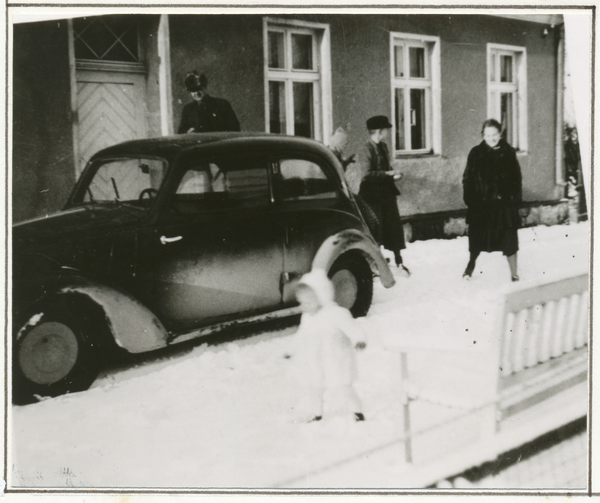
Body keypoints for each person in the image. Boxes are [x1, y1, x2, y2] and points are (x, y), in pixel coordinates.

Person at [293, 268, 367, 423]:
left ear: (322, 297)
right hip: (316, 361)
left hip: (336, 359)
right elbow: (301, 335)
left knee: (343, 388)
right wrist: (291, 350)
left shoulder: (337, 313)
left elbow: (351, 327)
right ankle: (316, 413)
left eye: (309, 301)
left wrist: (359, 339)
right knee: (315, 388)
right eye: (302, 303)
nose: (305, 306)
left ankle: (357, 412)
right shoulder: (307, 317)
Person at [462, 118, 523, 281]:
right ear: (483, 135)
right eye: (488, 135)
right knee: (477, 238)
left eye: (494, 134)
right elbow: (467, 179)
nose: (491, 138)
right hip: (481, 205)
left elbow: (517, 178)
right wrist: (471, 200)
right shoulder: (475, 153)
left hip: (504, 206)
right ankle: (470, 267)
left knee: (509, 239)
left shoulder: (508, 152)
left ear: (500, 134)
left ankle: (514, 273)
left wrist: (515, 199)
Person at [358, 115, 410, 275]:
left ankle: (399, 261)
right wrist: (389, 174)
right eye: (386, 129)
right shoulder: (366, 148)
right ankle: (374, 264)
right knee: (375, 229)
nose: (388, 132)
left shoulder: (384, 147)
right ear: (379, 131)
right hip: (371, 195)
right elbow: (366, 174)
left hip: (386, 193)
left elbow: (385, 168)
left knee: (393, 227)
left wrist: (392, 175)